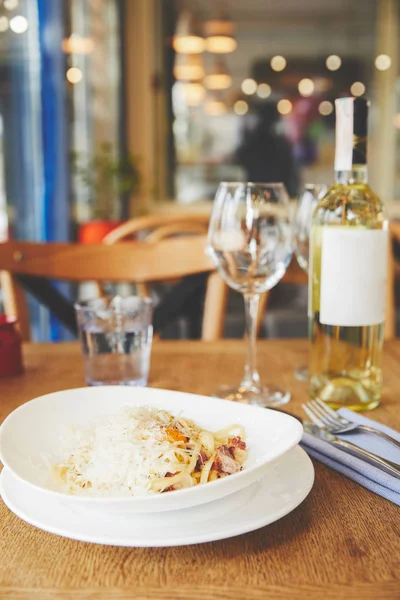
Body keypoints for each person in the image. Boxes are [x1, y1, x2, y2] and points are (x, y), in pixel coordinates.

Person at [235, 102, 299, 198]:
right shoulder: (281, 142)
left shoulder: (252, 140)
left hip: (255, 192)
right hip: (278, 195)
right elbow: (291, 170)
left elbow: (239, 157)